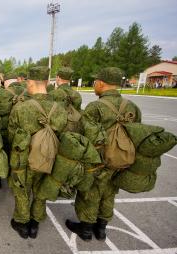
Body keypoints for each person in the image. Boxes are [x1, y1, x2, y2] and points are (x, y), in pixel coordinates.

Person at [65, 67, 142, 241]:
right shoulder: (132, 107)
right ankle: (101, 229)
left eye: (95, 82)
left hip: (98, 160)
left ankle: (85, 229)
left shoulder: (96, 107)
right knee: (109, 193)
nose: (94, 85)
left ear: (101, 83)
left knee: (91, 193)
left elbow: (86, 136)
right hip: (121, 159)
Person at [8, 66, 67, 239]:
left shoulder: (21, 108)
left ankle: (22, 222)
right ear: (47, 82)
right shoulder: (59, 108)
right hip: (50, 157)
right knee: (42, 190)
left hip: (25, 159)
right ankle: (35, 223)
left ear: (29, 83)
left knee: (22, 189)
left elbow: (12, 137)